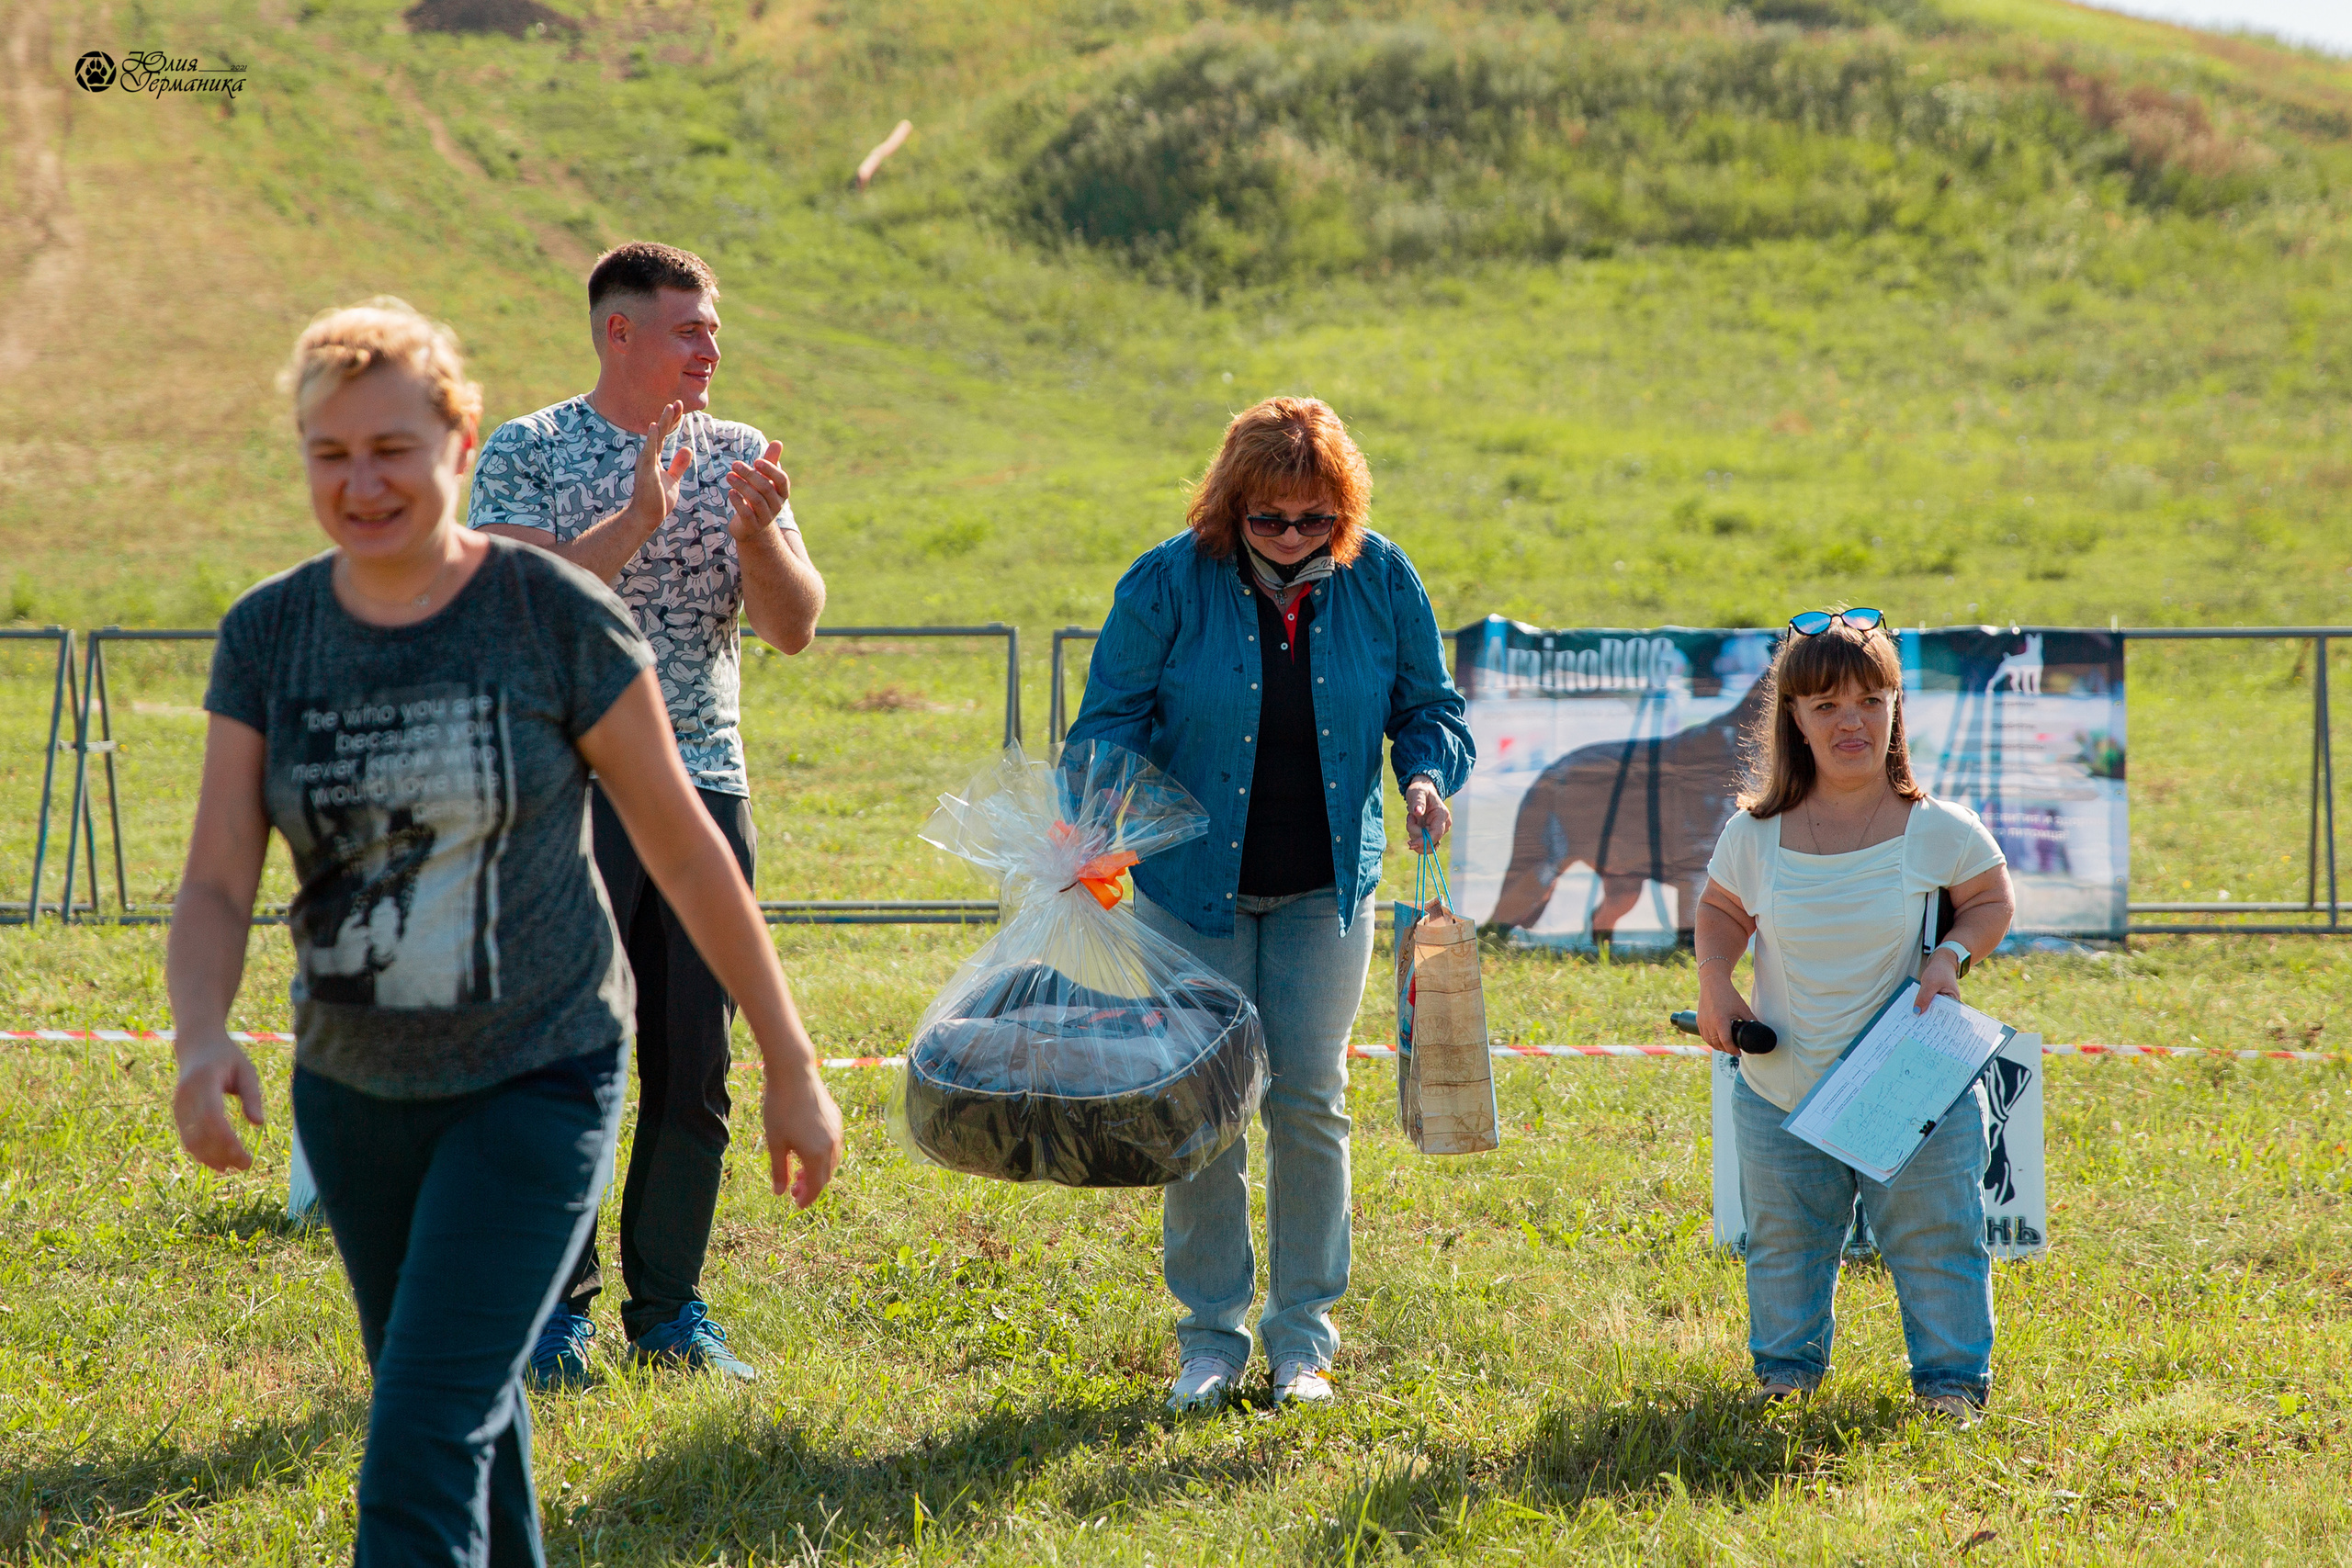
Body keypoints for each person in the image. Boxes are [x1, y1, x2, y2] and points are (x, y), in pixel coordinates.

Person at [167, 298, 843, 1564]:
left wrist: (793, 1062)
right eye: (331, 453)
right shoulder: (270, 632)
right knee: (464, 1409)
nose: (363, 482)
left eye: (394, 448)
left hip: (535, 1077)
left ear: (460, 442)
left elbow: (688, 848)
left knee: (414, 1444)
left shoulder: (549, 612)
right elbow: (213, 878)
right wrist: (201, 1032)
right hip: (356, 1094)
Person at [1067, 396, 1474, 1412]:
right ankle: (1210, 1341)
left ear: (1343, 511)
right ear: (1229, 509)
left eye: (1314, 520)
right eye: (1269, 519)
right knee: (1205, 1109)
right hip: (1189, 889)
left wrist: (1425, 773)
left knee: (1308, 1102)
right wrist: (1093, 809)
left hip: (1324, 890)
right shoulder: (1167, 581)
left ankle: (1305, 1343)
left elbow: (1430, 710)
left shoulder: (1382, 578)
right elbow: (1105, 721)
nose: (1292, 539)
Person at [469, 242, 826, 1383]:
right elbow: (519, 613)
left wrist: (760, 532)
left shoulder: (737, 453)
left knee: (693, 1064)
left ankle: (669, 1310)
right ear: (618, 332)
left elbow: (794, 627)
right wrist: (636, 517)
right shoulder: (528, 450)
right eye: (688, 329)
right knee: (569, 1052)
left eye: (714, 328)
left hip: (705, 784)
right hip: (568, 785)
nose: (711, 348)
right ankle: (554, 1314)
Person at [1693, 608, 2016, 1424]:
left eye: (1872, 701)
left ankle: (1951, 1387)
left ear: (1897, 710)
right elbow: (1721, 910)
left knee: (1939, 1240)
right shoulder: (1754, 833)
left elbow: (1989, 897)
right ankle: (1786, 1378)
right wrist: (1714, 985)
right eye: (1828, 704)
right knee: (1784, 1246)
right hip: (1779, 1089)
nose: (1852, 722)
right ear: (1794, 719)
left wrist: (1950, 956)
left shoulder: (1934, 826)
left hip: (1910, 1091)